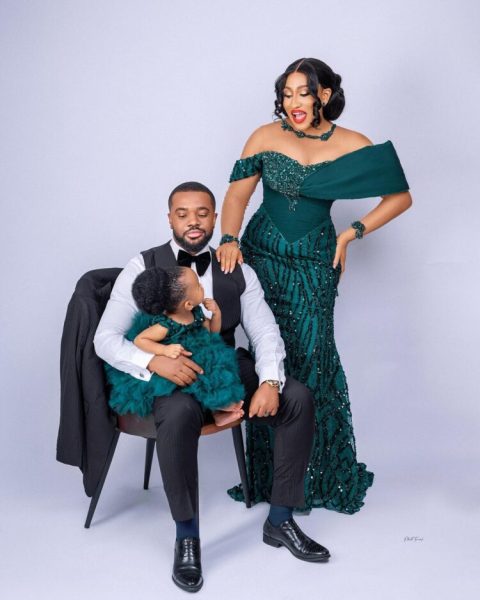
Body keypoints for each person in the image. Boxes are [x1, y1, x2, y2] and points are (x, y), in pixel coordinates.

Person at [94, 181, 330, 594]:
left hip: (220, 364)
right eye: (183, 214)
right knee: (179, 412)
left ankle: (280, 520)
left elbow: (264, 331)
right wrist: (153, 360)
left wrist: (269, 381)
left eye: (202, 213)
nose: (193, 222)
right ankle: (187, 536)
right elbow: (105, 339)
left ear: (215, 218)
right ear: (170, 219)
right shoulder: (141, 266)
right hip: (170, 371)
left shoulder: (238, 270)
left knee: (296, 398)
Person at [217, 58, 413, 515]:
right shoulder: (264, 136)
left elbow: (400, 196)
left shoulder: (351, 143)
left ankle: (317, 476)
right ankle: (271, 476)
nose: (293, 103)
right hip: (262, 258)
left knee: (313, 358)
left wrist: (351, 233)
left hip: (314, 263)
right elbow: (236, 196)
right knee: (271, 358)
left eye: (302, 93)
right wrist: (228, 238)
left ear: (323, 95)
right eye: (286, 94)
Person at [104, 265, 246, 427]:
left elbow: (212, 332)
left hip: (198, 349)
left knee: (217, 365)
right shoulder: (166, 325)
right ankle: (218, 407)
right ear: (188, 304)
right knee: (201, 374)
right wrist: (164, 350)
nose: (202, 286)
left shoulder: (196, 313)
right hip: (177, 357)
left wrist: (216, 314)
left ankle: (218, 413)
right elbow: (140, 340)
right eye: (198, 286)